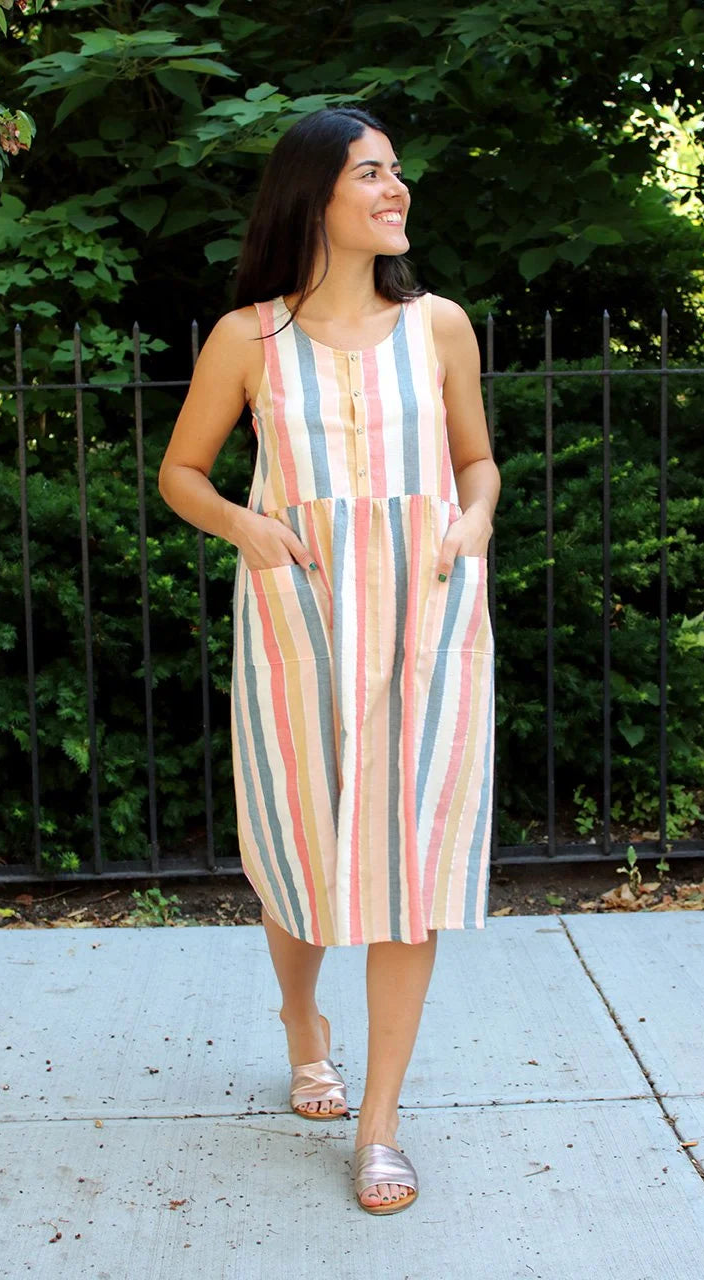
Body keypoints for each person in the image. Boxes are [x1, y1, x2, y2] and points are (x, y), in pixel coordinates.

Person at [158, 106, 500, 1216]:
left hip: (428, 617)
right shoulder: (246, 339)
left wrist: (475, 520)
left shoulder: (441, 325)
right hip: (298, 619)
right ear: (315, 197)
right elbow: (184, 473)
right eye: (371, 173)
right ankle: (304, 1022)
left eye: (399, 171)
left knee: (408, 868)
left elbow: (477, 460)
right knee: (301, 847)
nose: (396, 189)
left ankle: (380, 1121)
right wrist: (246, 528)